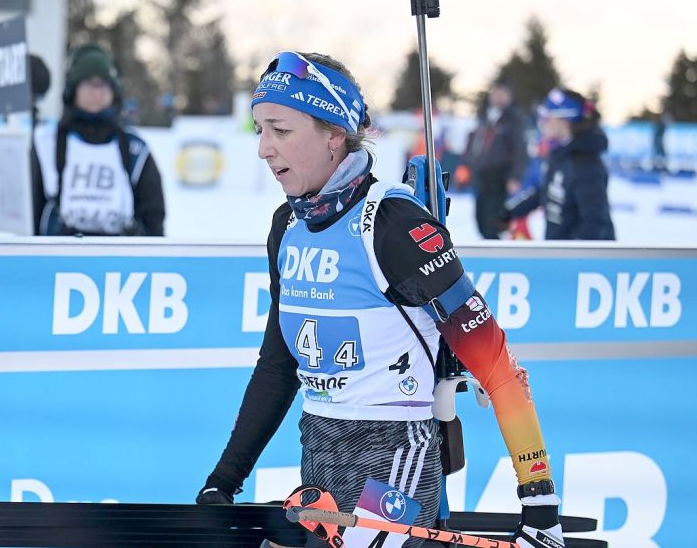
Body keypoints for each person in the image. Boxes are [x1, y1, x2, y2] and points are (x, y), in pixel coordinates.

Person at [195, 51, 564, 548]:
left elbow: (497, 363)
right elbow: (279, 365)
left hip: (396, 455)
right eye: (259, 130)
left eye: (280, 130)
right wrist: (224, 480)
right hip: (320, 452)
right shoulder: (287, 227)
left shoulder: (392, 224)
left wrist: (540, 506)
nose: (263, 148)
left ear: (333, 134)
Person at [32, 44, 164, 236]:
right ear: (73, 89)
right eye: (88, 84)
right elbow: (30, 213)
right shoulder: (47, 143)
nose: (96, 92)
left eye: (103, 84)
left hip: (121, 260)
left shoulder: (135, 149)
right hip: (60, 259)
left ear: (114, 90)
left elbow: (154, 217)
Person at [504, 88, 615, 240]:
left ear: (565, 120)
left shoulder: (586, 165)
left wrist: (566, 256)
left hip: (578, 259)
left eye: (545, 116)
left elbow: (594, 224)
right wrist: (509, 213)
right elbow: (546, 191)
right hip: (559, 253)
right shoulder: (560, 154)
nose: (541, 123)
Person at [462, 78, 528, 239]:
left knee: (494, 221)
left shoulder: (514, 119)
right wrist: (468, 165)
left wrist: (515, 176)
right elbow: (474, 144)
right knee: (480, 218)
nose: (497, 97)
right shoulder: (484, 116)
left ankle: (497, 255)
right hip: (481, 177)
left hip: (499, 177)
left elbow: (520, 150)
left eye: (501, 93)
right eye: (495, 92)